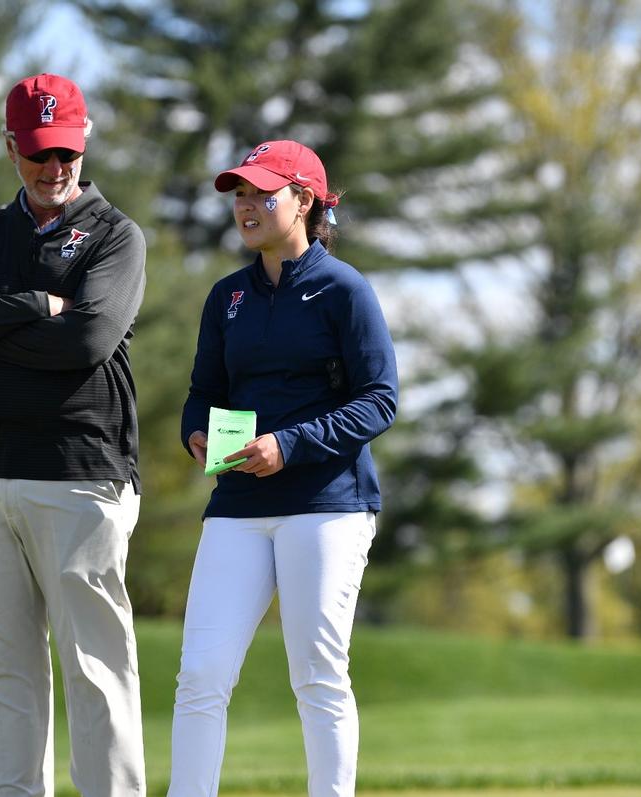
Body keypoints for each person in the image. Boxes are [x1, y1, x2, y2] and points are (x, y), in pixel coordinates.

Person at [0, 73, 147, 797]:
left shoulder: (115, 235)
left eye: (67, 152)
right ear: (11, 146)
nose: (55, 168)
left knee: (97, 672)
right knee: (0, 673)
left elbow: (85, 340)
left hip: (81, 474)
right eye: (40, 153)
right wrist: (28, 306)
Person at [172, 140, 399, 797]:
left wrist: (290, 445)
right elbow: (202, 391)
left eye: (261, 193)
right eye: (239, 194)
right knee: (201, 673)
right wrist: (195, 431)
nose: (245, 205)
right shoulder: (227, 298)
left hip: (328, 503)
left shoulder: (344, 290)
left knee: (318, 672)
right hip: (239, 506)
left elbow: (380, 400)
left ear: (303, 201)